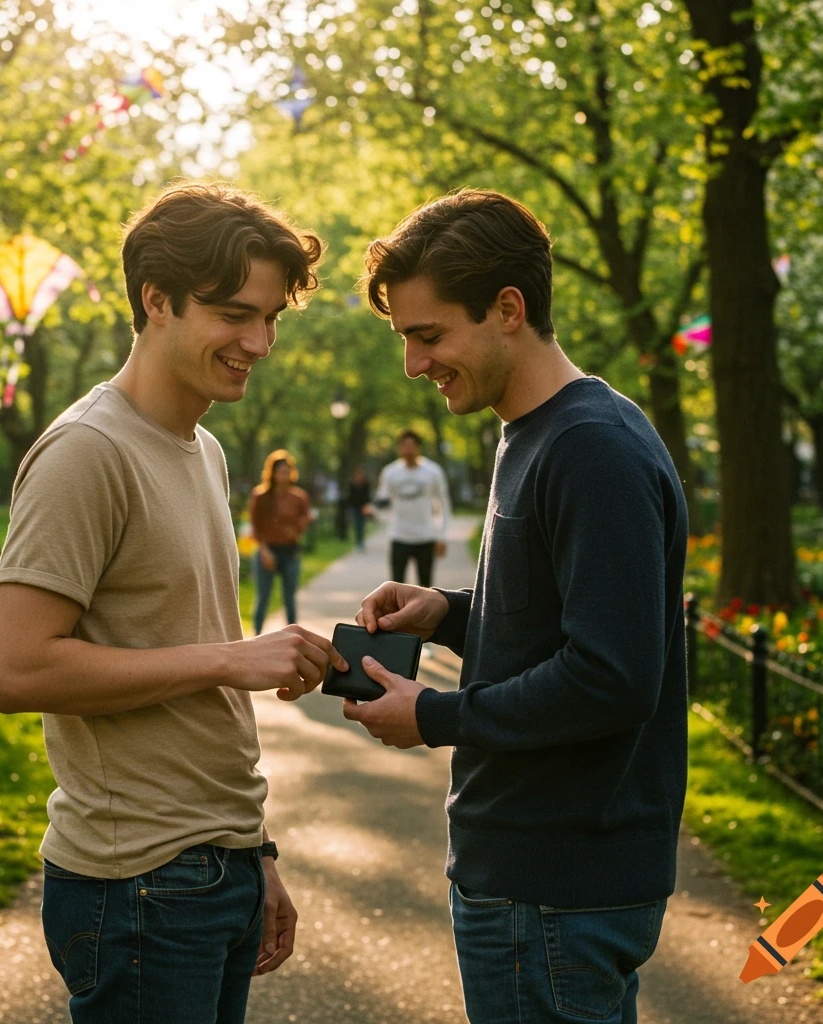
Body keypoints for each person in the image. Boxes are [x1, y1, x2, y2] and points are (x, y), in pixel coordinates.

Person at [0, 182, 350, 1024]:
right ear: (157, 300)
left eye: (269, 318)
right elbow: (18, 668)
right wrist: (232, 658)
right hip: (137, 886)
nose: (257, 341)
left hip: (210, 865)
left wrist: (251, 849)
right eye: (233, 314)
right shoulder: (87, 452)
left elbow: (186, 683)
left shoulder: (205, 450)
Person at [343, 189, 689, 1024]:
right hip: (534, 881)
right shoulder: (533, 431)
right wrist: (450, 614)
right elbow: (565, 622)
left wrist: (435, 713)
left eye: (428, 336)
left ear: (508, 309)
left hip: (553, 891)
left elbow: (611, 677)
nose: (414, 365)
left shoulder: (591, 450)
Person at [374, 428, 452, 587]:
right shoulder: (390, 473)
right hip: (399, 536)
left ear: (419, 448)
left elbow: (443, 503)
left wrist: (442, 536)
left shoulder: (433, 472)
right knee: (396, 586)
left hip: (425, 536)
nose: (408, 450)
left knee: (425, 586)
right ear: (399, 449)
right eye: (404, 446)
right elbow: (381, 501)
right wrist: (379, 515)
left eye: (412, 446)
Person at [249, 449, 311, 635]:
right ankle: (255, 638)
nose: (283, 475)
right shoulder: (260, 496)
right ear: (272, 472)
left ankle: (293, 637)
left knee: (290, 599)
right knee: (262, 599)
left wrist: (297, 528)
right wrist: (264, 551)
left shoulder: (299, 497)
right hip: (267, 551)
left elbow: (305, 518)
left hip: (290, 552)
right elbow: (255, 526)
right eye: (279, 471)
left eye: (286, 470)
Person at [345, 466, 372, 551]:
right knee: (357, 524)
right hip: (354, 507)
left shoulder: (366, 484)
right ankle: (358, 542)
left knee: (361, 525)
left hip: (363, 507)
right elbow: (350, 497)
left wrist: (367, 506)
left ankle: (361, 541)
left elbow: (367, 496)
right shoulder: (352, 485)